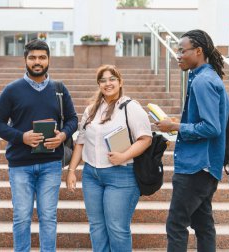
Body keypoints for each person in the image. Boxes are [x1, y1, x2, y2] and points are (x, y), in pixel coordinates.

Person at [0, 39, 78, 252]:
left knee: (48, 217)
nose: (37, 62)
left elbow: (73, 119)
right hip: (20, 164)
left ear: (48, 60)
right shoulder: (12, 90)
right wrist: (22, 137)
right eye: (32, 58)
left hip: (51, 163)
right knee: (21, 217)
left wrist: (63, 135)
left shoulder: (59, 89)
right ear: (25, 60)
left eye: (42, 57)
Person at [155, 29, 229, 252]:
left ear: (198, 51)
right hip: (205, 165)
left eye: (181, 51)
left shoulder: (202, 81)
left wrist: (174, 126)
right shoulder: (206, 77)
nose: (177, 55)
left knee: (176, 224)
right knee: (203, 224)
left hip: (196, 166)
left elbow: (212, 127)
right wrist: (182, 123)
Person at [66, 65, 152, 252]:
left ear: (120, 82)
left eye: (112, 79)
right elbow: (80, 142)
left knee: (117, 228)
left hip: (121, 175)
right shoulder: (91, 110)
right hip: (91, 176)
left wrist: (124, 155)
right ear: (99, 84)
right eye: (103, 80)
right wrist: (72, 171)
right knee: (96, 226)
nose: (108, 83)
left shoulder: (131, 108)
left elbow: (145, 139)